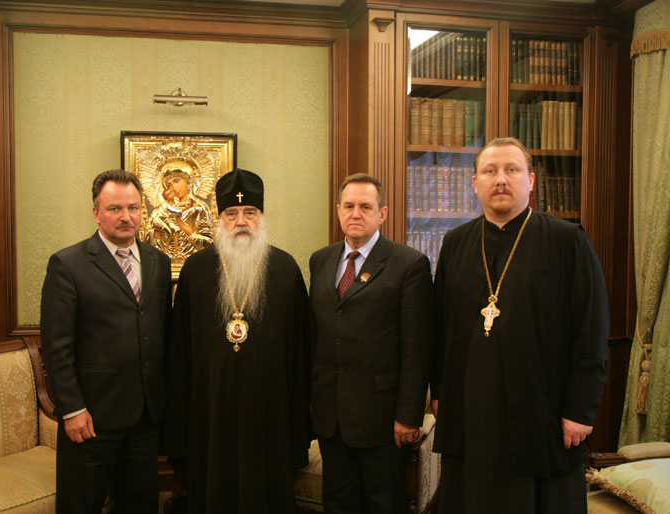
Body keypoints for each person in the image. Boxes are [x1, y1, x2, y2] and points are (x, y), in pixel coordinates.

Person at [431, 137, 608, 514]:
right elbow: (440, 328)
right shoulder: (456, 243)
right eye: (490, 171)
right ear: (474, 183)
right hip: (471, 413)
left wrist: (580, 409)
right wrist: (439, 392)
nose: (500, 179)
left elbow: (591, 330)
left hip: (542, 413)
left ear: (531, 180)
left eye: (511, 170)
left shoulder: (566, 240)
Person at [165, 168, 311, 514]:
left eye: (250, 212)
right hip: (209, 411)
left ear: (261, 216)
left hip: (271, 412)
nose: (241, 221)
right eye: (231, 213)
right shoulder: (196, 270)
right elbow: (179, 353)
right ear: (220, 219)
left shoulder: (286, 269)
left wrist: (299, 419)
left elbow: (301, 353)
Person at [40, 169, 172, 513]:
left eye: (133, 208)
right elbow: (56, 347)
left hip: (145, 418)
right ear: (96, 213)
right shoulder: (68, 264)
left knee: (141, 506)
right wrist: (72, 409)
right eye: (115, 208)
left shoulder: (159, 262)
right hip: (91, 419)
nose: (126, 216)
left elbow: (162, 334)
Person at [309, 173, 435, 514]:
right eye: (348, 206)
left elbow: (417, 349)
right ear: (338, 210)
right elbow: (317, 335)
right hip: (332, 417)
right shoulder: (321, 260)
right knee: (338, 504)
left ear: (383, 214)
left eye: (365, 207)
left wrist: (408, 416)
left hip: (383, 420)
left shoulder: (408, 264)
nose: (356, 214)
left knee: (383, 506)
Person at [145, 159, 213, 265]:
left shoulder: (199, 209)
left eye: (176, 181)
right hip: (164, 265)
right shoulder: (161, 210)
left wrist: (190, 233)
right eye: (169, 185)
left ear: (188, 181)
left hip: (196, 265)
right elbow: (149, 241)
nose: (173, 187)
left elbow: (210, 244)